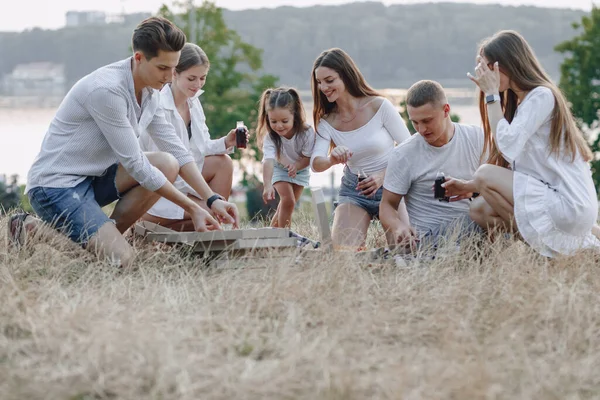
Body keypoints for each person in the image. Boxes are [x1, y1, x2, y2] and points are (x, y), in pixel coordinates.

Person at [10, 17, 239, 267]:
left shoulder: (152, 89)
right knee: (123, 260)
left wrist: (211, 200)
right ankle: (30, 229)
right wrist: (192, 207)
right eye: (162, 68)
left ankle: (108, 242)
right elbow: (137, 166)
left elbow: (177, 149)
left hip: (95, 179)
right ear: (139, 58)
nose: (169, 76)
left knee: (167, 162)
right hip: (57, 187)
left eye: (173, 68)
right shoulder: (107, 91)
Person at [443, 30, 600, 257]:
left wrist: (491, 95)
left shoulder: (542, 96)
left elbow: (508, 146)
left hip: (568, 204)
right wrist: (470, 187)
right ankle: (563, 248)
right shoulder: (523, 102)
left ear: (507, 64)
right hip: (558, 201)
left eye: (488, 68)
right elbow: (525, 172)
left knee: (485, 173)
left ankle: (555, 252)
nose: (485, 76)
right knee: (479, 209)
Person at [310, 48, 411, 250]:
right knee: (344, 256)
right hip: (354, 191)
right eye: (319, 82)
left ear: (346, 76)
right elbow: (315, 164)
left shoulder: (379, 106)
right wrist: (332, 159)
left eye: (329, 80)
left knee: (404, 250)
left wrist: (383, 176)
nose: (323, 87)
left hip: (392, 187)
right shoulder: (327, 122)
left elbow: (409, 148)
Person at [139, 43, 243, 231]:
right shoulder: (159, 106)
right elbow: (169, 165)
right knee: (214, 213)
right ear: (174, 74)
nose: (197, 85)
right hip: (160, 186)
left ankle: (203, 224)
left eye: (202, 78)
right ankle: (149, 224)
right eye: (192, 78)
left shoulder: (193, 103)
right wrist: (205, 199)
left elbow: (199, 149)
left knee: (223, 162)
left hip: (185, 180)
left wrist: (226, 142)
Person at [380, 80, 485, 250]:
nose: (421, 130)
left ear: (446, 110)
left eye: (427, 121)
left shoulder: (477, 138)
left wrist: (471, 191)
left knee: (503, 208)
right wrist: (398, 226)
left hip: (473, 226)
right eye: (415, 122)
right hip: (430, 238)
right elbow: (387, 205)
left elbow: (494, 189)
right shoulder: (404, 154)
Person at [258, 87, 315, 228]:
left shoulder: (307, 132)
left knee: (287, 205)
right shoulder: (271, 138)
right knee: (288, 200)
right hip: (278, 169)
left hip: (301, 170)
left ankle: (271, 236)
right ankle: (285, 236)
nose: (279, 126)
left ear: (294, 115)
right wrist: (267, 185)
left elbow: (308, 157)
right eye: (273, 121)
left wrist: (297, 166)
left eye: (284, 121)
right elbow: (268, 161)